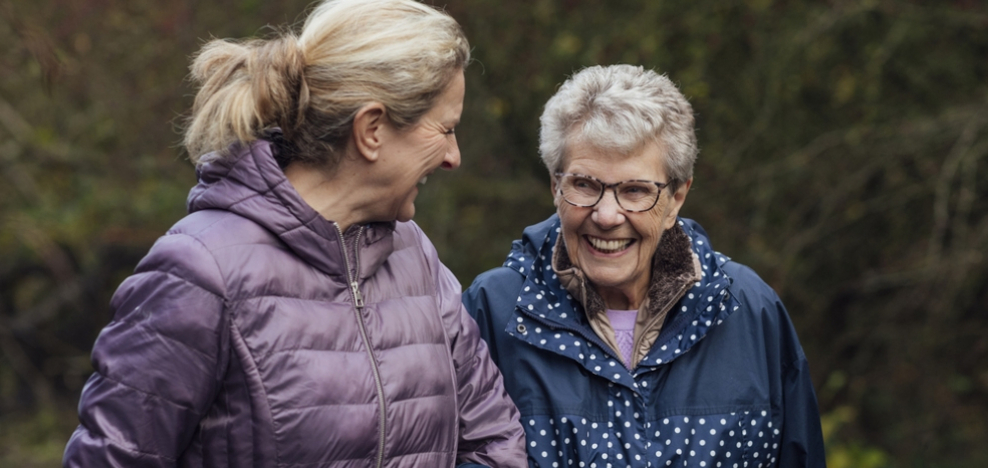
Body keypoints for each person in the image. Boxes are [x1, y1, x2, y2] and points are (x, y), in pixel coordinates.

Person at [63, 1, 525, 467]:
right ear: (372, 130)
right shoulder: (200, 271)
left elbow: (493, 443)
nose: (453, 156)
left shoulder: (416, 257)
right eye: (444, 129)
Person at [463, 64, 826, 467]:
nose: (606, 215)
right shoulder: (493, 313)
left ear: (676, 198)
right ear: (555, 186)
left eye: (635, 190)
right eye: (584, 185)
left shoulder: (747, 309)